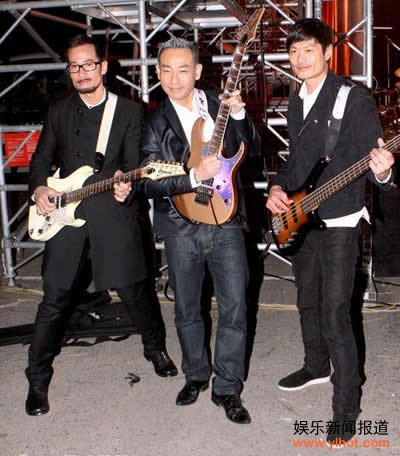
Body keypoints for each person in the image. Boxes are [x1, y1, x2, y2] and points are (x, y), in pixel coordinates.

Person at [25, 34, 178, 416]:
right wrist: (40, 188)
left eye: (88, 64)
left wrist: (128, 187)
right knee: (55, 297)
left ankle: (155, 348)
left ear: (103, 66)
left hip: (111, 210)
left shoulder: (128, 111)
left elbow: (135, 167)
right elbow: (41, 159)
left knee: (135, 291)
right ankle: (37, 377)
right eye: (74, 66)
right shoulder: (59, 110)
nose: (81, 72)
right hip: (65, 214)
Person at [266, 18, 395, 445]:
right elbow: (297, 162)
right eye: (294, 51)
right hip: (303, 216)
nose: (300, 59)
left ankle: (346, 408)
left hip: (340, 218)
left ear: (326, 52)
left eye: (309, 50)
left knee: (337, 313)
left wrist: (384, 172)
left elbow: (375, 162)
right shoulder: (297, 100)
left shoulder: (353, 99)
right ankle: (315, 365)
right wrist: (278, 188)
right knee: (307, 300)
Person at [140, 38, 260, 424]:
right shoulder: (153, 121)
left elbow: (252, 149)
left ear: (197, 70)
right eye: (166, 71)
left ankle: (228, 387)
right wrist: (193, 176)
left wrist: (239, 116)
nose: (174, 79)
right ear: (158, 73)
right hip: (180, 226)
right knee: (188, 309)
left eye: (182, 70)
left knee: (235, 306)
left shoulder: (219, 104)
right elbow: (148, 182)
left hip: (225, 220)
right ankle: (195, 374)